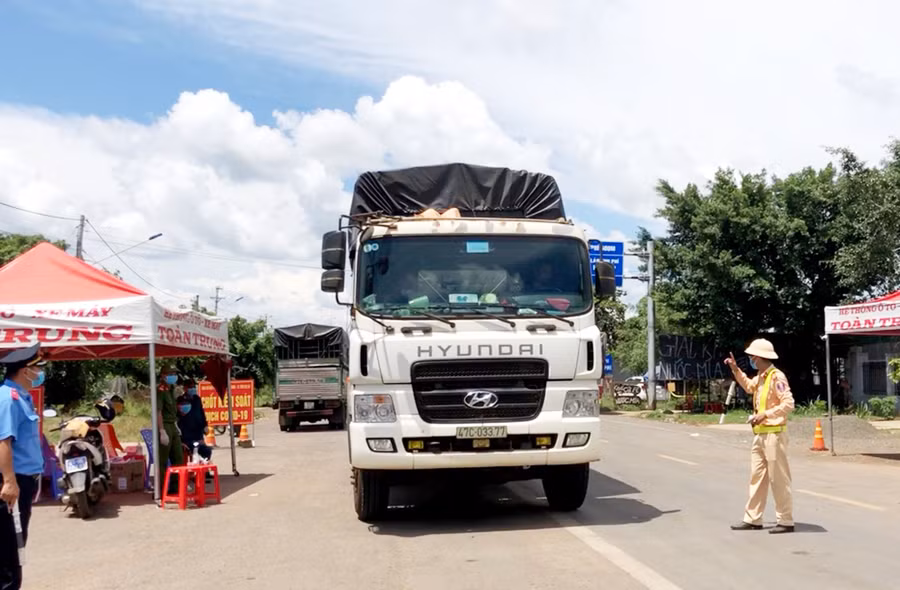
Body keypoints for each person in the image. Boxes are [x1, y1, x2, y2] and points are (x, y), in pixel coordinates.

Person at [725, 338, 796, 534]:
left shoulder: (776, 377)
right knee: (757, 478)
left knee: (778, 479)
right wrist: (735, 369)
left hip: (774, 434)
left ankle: (786, 520)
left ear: (759, 357)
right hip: (760, 435)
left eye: (752, 356)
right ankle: (753, 518)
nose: (751, 359)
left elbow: (788, 404)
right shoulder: (761, 377)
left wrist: (765, 414)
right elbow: (748, 386)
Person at [0, 343, 46, 590]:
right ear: (24, 370)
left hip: (24, 481)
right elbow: (3, 441)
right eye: (37, 368)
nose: (40, 372)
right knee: (9, 554)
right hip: (13, 482)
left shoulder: (21, 397)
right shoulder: (8, 399)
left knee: (14, 548)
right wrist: (9, 481)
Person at [156, 363, 184, 493]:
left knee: (178, 458)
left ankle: (176, 487)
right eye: (171, 374)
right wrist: (162, 431)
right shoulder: (160, 390)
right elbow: (158, 412)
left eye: (175, 374)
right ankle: (161, 489)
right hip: (165, 426)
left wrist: (176, 425)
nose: (174, 376)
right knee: (162, 460)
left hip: (172, 424)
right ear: (163, 376)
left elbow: (173, 410)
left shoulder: (172, 389)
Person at [176, 379, 211, 462]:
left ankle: (204, 470)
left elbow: (202, 413)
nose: (192, 389)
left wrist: (205, 425)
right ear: (185, 388)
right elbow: (178, 416)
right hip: (186, 433)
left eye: (193, 387)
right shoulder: (181, 400)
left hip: (198, 431)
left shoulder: (197, 399)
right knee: (192, 449)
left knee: (206, 451)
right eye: (190, 387)